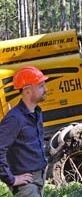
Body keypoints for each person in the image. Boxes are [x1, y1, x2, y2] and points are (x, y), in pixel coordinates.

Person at [0, 66, 49, 196]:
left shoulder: (36, 112)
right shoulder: (14, 118)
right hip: (27, 184)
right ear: (27, 91)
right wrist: (10, 179)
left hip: (39, 178)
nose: (46, 89)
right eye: (41, 86)